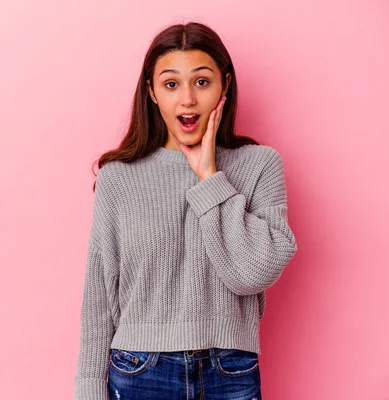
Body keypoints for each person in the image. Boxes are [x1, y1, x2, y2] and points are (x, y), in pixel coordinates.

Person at [74, 21, 298, 400]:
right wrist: (88, 391)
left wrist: (209, 175)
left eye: (202, 82)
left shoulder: (260, 165)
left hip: (230, 370)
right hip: (140, 370)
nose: (188, 100)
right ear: (152, 92)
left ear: (224, 85)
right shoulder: (118, 179)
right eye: (171, 84)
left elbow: (252, 273)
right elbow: (98, 300)